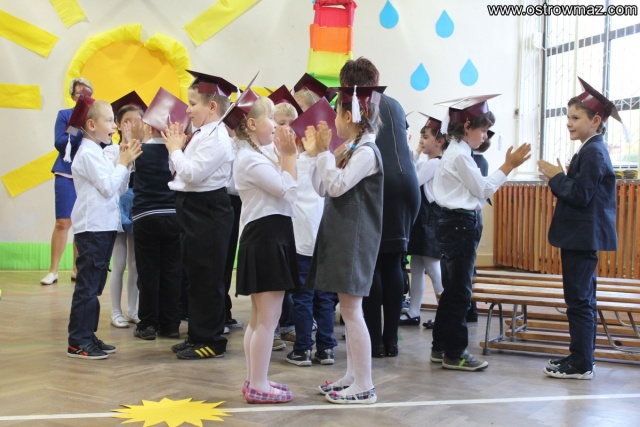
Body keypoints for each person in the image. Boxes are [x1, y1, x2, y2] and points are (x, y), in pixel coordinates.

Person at [430, 94, 531, 371]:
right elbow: (484, 189)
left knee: (452, 290)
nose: (486, 136)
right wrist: (508, 166)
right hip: (459, 225)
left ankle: (440, 347)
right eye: (483, 129)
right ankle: (455, 353)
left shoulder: (456, 152)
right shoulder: (460, 156)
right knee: (461, 293)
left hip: (454, 223)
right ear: (467, 127)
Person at [303, 85, 386, 405]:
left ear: (349, 116)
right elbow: (322, 188)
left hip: (356, 239)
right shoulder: (351, 147)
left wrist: (324, 153)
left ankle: (365, 385)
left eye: (337, 111)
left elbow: (337, 186)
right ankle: (353, 376)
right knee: (349, 308)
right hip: (343, 236)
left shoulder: (367, 153)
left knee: (352, 310)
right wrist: (317, 155)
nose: (334, 118)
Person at [340, 57, 420, 358]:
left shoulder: (355, 104)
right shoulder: (395, 104)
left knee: (371, 265)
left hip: (380, 183)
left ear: (347, 84)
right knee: (394, 263)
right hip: (407, 185)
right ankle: (391, 341)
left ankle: (373, 341)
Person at [539, 77, 618, 380]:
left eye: (575, 118)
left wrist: (558, 177)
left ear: (595, 121)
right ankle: (580, 357)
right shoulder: (590, 148)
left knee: (580, 301)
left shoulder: (594, 151)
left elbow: (582, 195)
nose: (568, 123)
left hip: (582, 237)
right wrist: (559, 178)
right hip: (581, 236)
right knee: (581, 299)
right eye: (568, 117)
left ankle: (582, 364)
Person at [228, 89, 299, 404]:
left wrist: (287, 154)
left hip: (269, 234)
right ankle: (258, 384)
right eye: (270, 117)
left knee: (261, 319)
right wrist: (290, 156)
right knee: (267, 319)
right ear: (252, 124)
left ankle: (256, 379)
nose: (275, 124)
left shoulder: (257, 154)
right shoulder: (249, 159)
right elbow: (287, 190)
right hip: (266, 237)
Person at [163, 71, 236, 360]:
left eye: (193, 104)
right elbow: (179, 171)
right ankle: (196, 334)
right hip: (192, 208)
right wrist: (177, 150)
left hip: (208, 209)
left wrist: (175, 150)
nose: (188, 110)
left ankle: (211, 340)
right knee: (194, 275)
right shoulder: (201, 134)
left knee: (208, 277)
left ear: (212, 107)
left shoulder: (216, 137)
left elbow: (192, 174)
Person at [66, 95, 142, 359]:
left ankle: (88, 334)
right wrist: (122, 163)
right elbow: (109, 187)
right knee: (87, 286)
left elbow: (118, 188)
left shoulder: (97, 152)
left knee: (95, 285)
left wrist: (125, 162)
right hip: (93, 227)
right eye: (109, 120)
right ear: (91, 124)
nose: (114, 126)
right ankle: (78, 341)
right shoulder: (87, 154)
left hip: (104, 226)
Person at [132, 88, 189, 341]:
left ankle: (147, 324)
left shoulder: (139, 150)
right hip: (173, 216)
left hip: (145, 216)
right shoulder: (177, 153)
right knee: (172, 271)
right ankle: (170, 324)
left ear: (149, 126)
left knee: (148, 272)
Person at [41, 77, 93, 285]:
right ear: (72, 96)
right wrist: (77, 128)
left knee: (82, 223)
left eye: (87, 93)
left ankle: (77, 269)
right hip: (66, 173)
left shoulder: (96, 117)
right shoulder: (64, 115)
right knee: (63, 222)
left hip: (87, 174)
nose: (83, 97)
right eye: (80, 93)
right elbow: (60, 142)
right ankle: (53, 270)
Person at [401, 115, 447, 327]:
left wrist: (417, 154)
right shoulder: (428, 162)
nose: (422, 140)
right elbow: (412, 167)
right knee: (417, 266)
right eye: (421, 136)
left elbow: (412, 180)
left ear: (440, 141)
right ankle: (413, 311)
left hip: (430, 220)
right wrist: (418, 151)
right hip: (421, 221)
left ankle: (445, 313)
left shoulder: (436, 163)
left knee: (433, 267)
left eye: (426, 137)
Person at [108, 92, 145, 328]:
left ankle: (133, 309)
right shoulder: (112, 151)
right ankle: (115, 311)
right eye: (126, 121)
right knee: (119, 263)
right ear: (119, 125)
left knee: (135, 264)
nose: (131, 126)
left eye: (136, 121)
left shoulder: (145, 150)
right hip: (119, 208)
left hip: (139, 207)